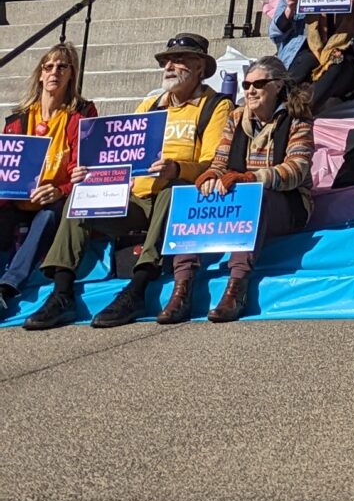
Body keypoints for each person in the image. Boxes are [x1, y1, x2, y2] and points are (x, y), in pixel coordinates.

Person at [26, 31, 233, 331]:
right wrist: (92, 174)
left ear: (200, 67)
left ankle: (138, 288)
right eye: (166, 62)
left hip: (175, 196)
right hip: (135, 198)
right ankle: (61, 292)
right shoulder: (149, 105)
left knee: (172, 192)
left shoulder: (214, 106)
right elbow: (118, 156)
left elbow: (213, 163)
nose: (169, 67)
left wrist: (176, 169)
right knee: (81, 195)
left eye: (179, 61)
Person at [173, 53, 313, 323]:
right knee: (194, 196)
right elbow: (220, 161)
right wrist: (211, 175)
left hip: (287, 203)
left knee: (255, 199)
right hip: (237, 198)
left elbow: (297, 170)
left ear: (278, 86)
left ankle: (237, 285)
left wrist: (251, 178)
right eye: (246, 85)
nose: (250, 90)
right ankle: (182, 287)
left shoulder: (298, 119)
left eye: (258, 85)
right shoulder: (236, 117)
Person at [0, 42, 92, 320]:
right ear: (40, 74)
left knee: (50, 213)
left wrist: (59, 189)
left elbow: (82, 169)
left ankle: (7, 287)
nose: (54, 72)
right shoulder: (17, 120)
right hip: (16, 198)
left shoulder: (81, 114)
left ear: (71, 75)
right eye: (48, 66)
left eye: (62, 67)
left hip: (56, 198)